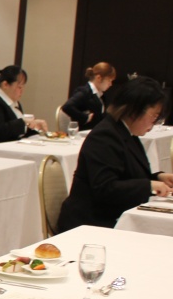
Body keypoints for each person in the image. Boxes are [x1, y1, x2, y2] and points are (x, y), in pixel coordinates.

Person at [57, 76, 173, 231]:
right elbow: (106, 188)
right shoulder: (105, 136)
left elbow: (127, 176)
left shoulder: (126, 133)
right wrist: (149, 185)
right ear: (134, 111)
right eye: (154, 116)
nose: (154, 123)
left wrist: (158, 178)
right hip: (90, 222)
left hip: (111, 216)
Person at [61, 62, 116, 131]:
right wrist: (85, 118)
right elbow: (67, 106)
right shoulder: (85, 92)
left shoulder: (100, 95)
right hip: (83, 133)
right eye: (109, 80)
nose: (110, 84)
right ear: (99, 78)